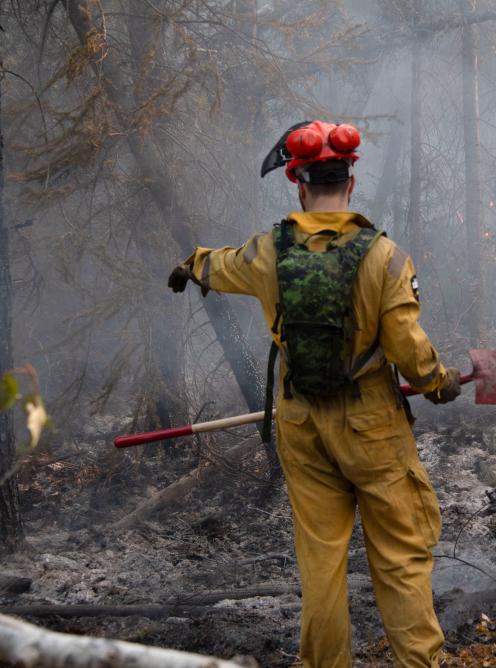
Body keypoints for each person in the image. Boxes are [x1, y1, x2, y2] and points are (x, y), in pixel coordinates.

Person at [168, 120, 460, 668]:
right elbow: (410, 352)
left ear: (298, 184)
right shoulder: (386, 257)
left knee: (322, 566)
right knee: (400, 559)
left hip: (302, 428)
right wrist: (439, 385)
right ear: (350, 181)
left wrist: (190, 265)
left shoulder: (268, 253)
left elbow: (220, 264)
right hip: (374, 432)